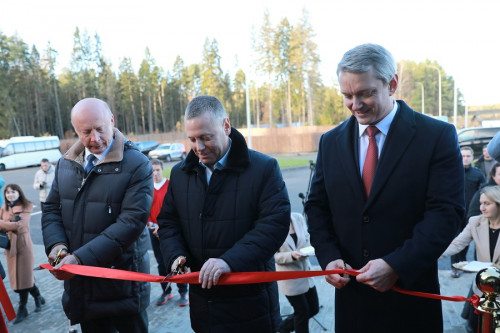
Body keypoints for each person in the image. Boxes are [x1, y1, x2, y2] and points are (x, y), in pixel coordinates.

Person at [305, 43, 464, 332]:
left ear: (391, 84)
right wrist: (328, 257)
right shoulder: (331, 142)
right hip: (352, 304)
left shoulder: (436, 136)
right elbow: (317, 207)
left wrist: (396, 266)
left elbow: (446, 214)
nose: (355, 104)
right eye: (347, 95)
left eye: (365, 93)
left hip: (411, 303)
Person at [157, 95, 290, 332]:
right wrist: (176, 257)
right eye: (192, 139)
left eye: (206, 138)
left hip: (252, 308)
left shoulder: (264, 168)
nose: (198, 147)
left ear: (226, 126)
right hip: (203, 309)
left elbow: (273, 226)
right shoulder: (179, 174)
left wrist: (229, 261)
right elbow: (168, 222)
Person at [42, 98, 153, 332]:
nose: (95, 138)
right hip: (82, 288)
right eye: (86, 132)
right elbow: (51, 209)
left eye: (100, 129)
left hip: (123, 287)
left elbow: (130, 223)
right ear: (75, 131)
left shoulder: (137, 164)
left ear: (112, 121)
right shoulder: (66, 164)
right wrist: (57, 247)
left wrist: (79, 259)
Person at [440, 185, 500, 332]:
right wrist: (426, 254)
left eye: (487, 203)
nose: (482, 208)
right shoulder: (475, 222)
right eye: (481, 203)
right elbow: (456, 244)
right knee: (476, 327)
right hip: (482, 289)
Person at [0, 184, 45, 324]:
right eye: (8, 193)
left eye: (13, 192)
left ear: (19, 193)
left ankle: (22, 308)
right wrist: (8, 223)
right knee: (21, 277)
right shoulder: (4, 207)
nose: (10, 195)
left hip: (23, 246)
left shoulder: (26, 206)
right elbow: (7, 225)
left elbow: (20, 226)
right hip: (10, 247)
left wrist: (4, 223)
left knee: (23, 278)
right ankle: (38, 297)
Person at [147, 158, 188, 307]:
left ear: (162, 170)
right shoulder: (147, 188)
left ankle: (183, 291)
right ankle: (166, 291)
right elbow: (145, 213)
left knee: (177, 261)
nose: (155, 173)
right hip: (154, 232)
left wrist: (165, 227)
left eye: (157, 170)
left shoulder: (171, 185)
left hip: (171, 232)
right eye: (152, 171)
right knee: (161, 263)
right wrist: (153, 226)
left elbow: (179, 209)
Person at [274, 212, 319, 333]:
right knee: (302, 313)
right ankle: (282, 329)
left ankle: (282, 329)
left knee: (314, 309)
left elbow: (307, 237)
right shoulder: (273, 225)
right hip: (290, 279)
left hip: (306, 274)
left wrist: (308, 249)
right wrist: (292, 256)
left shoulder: (297, 217)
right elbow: (273, 256)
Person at [450, 147, 485, 278]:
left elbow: (484, 191)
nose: (465, 158)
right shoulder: (452, 171)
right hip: (455, 213)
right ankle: (455, 267)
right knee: (456, 241)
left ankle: (469, 266)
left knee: (472, 242)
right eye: (463, 156)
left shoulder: (477, 173)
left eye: (468, 156)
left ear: (472, 157)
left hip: (472, 214)